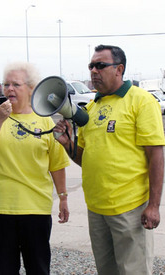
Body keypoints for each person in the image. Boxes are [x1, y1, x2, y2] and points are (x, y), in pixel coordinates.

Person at [53, 45, 165, 275]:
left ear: (119, 69)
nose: (94, 71)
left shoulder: (141, 101)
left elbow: (156, 155)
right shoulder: (91, 108)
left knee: (133, 271)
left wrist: (153, 205)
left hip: (130, 208)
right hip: (96, 209)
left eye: (100, 65)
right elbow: (86, 158)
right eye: (91, 66)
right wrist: (67, 144)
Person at [0, 62, 70, 275]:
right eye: (6, 84)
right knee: (5, 270)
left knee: (39, 269)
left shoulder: (45, 121)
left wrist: (63, 197)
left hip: (35, 210)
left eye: (16, 84)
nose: (9, 89)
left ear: (31, 88)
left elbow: (57, 164)